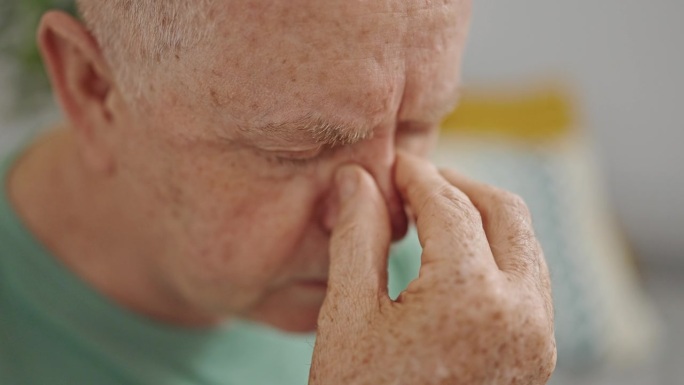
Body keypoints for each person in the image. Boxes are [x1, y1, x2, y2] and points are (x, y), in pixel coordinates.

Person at [0, 0, 556, 384]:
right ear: (93, 88)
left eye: (420, 125)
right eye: (297, 150)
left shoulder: (442, 287)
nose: (391, 218)